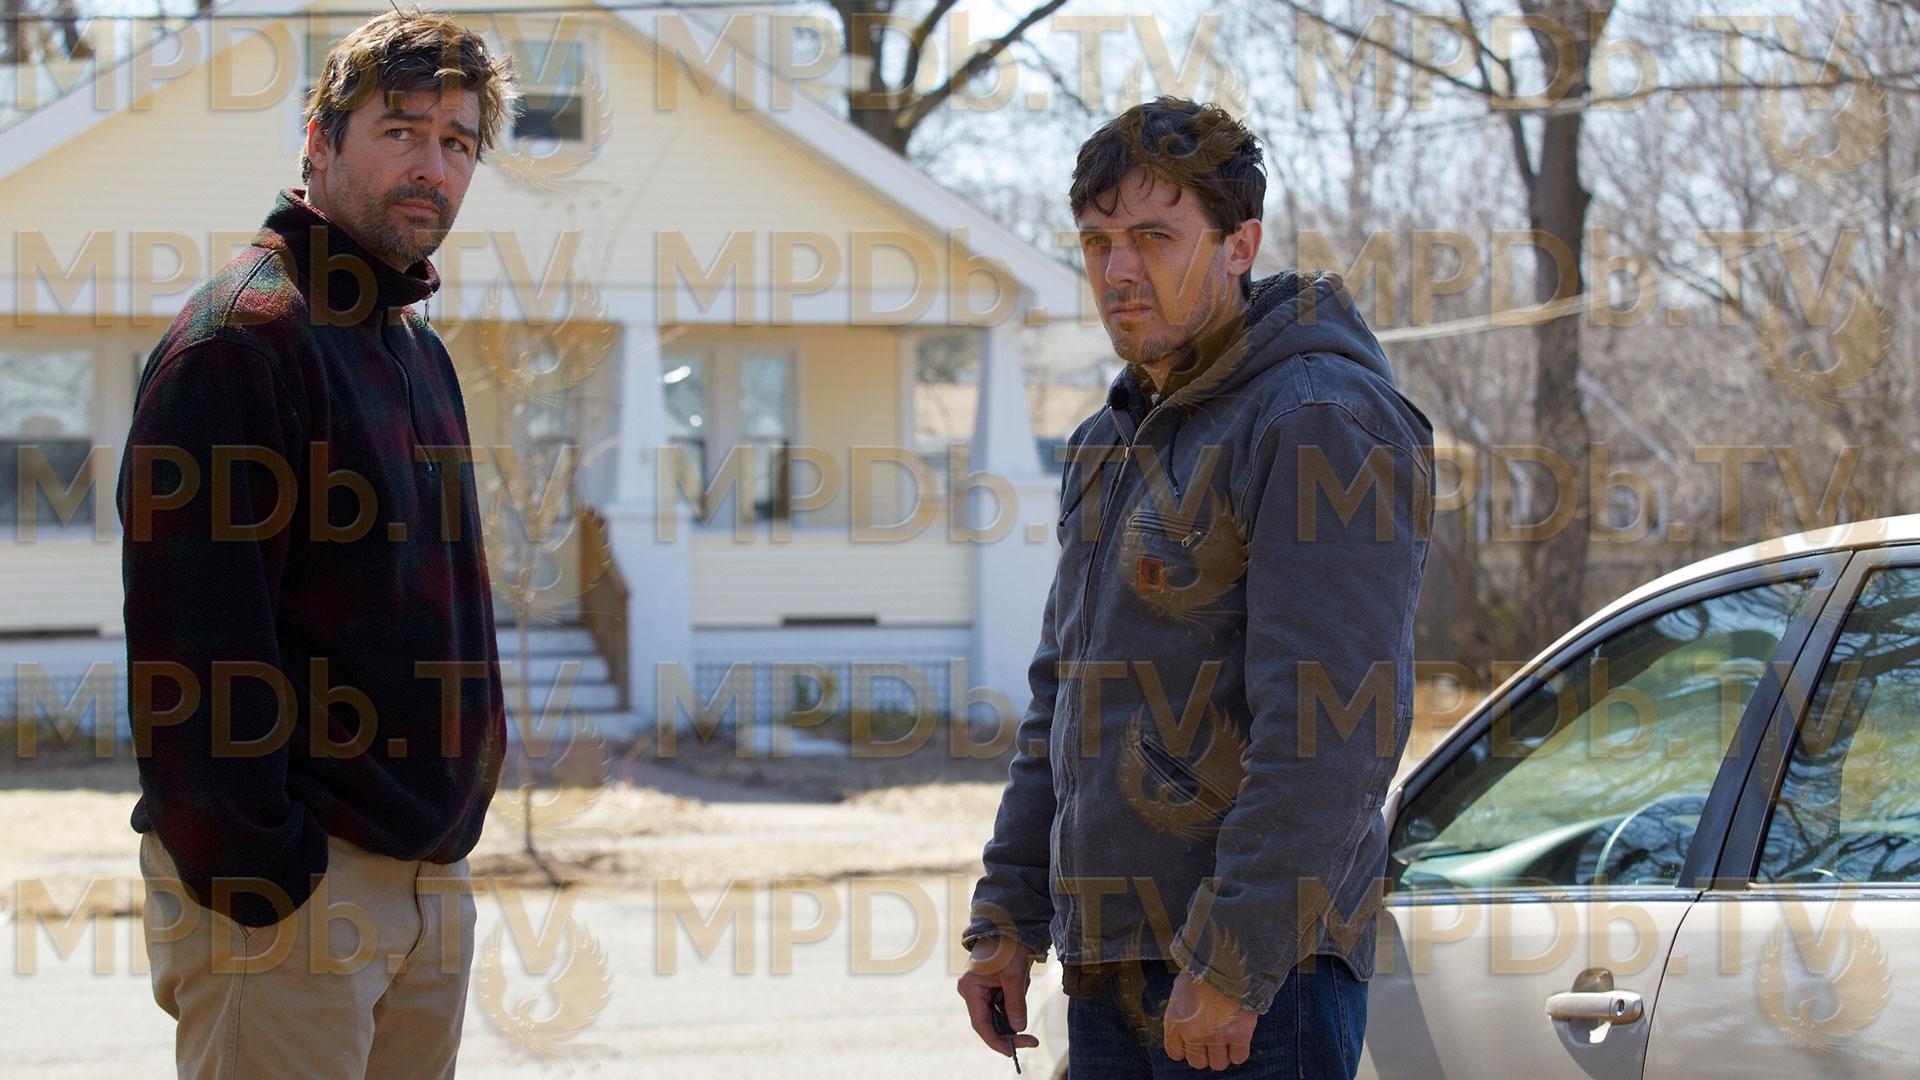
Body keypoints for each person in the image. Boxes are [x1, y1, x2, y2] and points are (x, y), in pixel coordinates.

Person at [957, 97, 1435, 1077]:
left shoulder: (1317, 419)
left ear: (1238, 246)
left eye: (1154, 237)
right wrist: (1009, 913)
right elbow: (1064, 697)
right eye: (1097, 243)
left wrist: (1235, 961)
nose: (1118, 271)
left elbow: (1333, 728)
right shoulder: (1108, 444)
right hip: (1112, 966)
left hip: (1260, 987)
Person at [116, 10, 517, 1077]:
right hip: (292, 899)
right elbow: (193, 644)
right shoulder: (243, 343)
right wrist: (263, 871)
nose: (432, 166)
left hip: (429, 883)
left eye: (458, 141)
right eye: (401, 130)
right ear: (319, 141)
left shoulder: (414, 351)